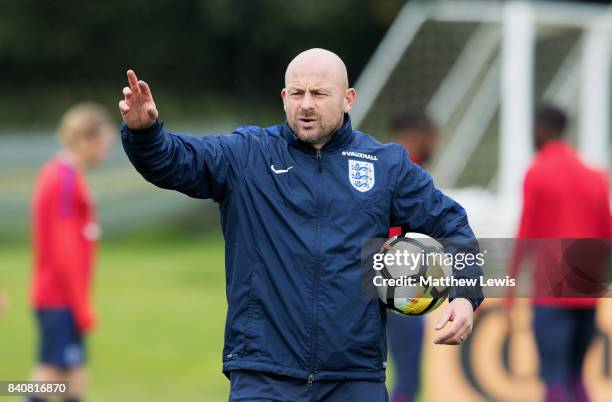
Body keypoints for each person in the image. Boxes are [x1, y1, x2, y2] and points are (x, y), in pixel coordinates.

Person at [119, 48, 483, 402]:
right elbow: (175, 161)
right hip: (264, 374)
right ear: (284, 97)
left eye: (319, 93)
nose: (306, 103)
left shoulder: (385, 165)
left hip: (354, 377)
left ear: (348, 99)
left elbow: (453, 225)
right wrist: (144, 133)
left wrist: (465, 297)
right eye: (297, 93)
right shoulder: (248, 154)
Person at [507, 104, 612, 402]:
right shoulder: (596, 176)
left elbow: (526, 234)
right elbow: (607, 233)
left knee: (554, 377)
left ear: (540, 129)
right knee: (577, 376)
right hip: (587, 291)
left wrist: (511, 288)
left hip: (551, 292)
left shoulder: (537, 173)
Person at [30, 103, 116, 402]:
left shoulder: (67, 175)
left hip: (63, 296)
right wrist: (80, 306)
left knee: (75, 382)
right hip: (59, 297)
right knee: (49, 379)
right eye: (104, 144)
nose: (106, 151)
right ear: (86, 139)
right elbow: (62, 248)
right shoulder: (62, 178)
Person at [387, 107, 439, 402]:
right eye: (433, 137)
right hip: (400, 281)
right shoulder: (408, 171)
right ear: (418, 136)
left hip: (381, 276)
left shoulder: (381, 165)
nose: (436, 145)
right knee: (408, 376)